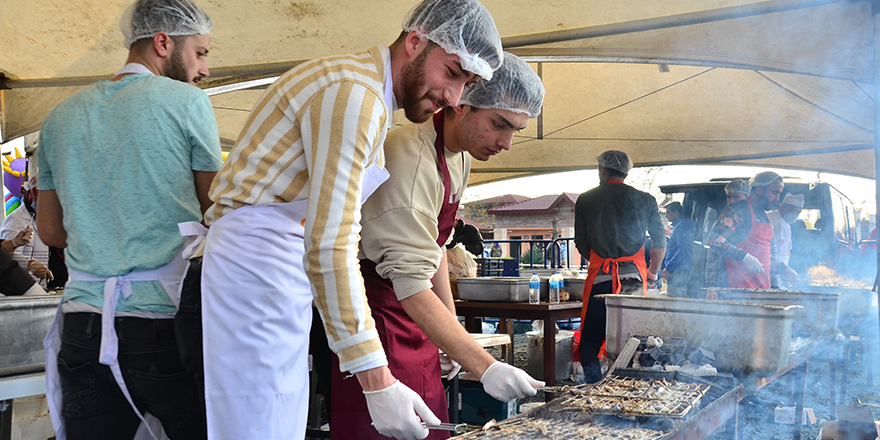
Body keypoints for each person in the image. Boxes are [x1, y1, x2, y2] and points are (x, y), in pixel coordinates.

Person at [196, 1, 503, 439]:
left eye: (466, 84)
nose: (452, 99)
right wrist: (375, 378)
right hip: (256, 262)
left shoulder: (370, 95)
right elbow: (330, 243)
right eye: (452, 73)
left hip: (278, 263)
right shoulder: (354, 95)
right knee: (257, 425)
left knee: (279, 417)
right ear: (414, 41)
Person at [332, 52, 545, 439]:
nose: (507, 143)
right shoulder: (408, 160)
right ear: (461, 102)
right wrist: (485, 366)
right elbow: (411, 282)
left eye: (516, 130)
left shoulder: (458, 156)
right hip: (381, 322)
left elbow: (438, 251)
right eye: (499, 124)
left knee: (431, 427)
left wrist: (449, 333)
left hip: (420, 319)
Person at [36, 0, 220, 439]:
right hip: (163, 323)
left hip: (82, 323)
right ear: (163, 43)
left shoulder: (60, 115)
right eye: (201, 52)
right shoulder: (187, 102)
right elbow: (219, 210)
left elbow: (50, 231)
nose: (205, 69)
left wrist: (104, 232)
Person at [573, 150, 667, 383]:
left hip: (600, 280)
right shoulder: (646, 199)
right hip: (633, 281)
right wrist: (653, 272)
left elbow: (581, 243)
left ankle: (594, 386)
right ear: (625, 172)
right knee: (633, 340)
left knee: (590, 341)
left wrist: (599, 261)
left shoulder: (586, 199)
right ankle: (627, 386)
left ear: (602, 170)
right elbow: (660, 240)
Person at [705, 172, 797, 293]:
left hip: (761, 291)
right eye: (774, 193)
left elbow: (767, 257)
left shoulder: (765, 217)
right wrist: (744, 257)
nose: (777, 199)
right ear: (759, 190)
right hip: (735, 291)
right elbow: (714, 238)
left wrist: (785, 270)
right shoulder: (737, 210)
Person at [1, 166, 55, 285]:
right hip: (23, 288)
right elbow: (5, 254)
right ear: (31, 196)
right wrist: (30, 264)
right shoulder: (16, 220)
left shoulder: (49, 219)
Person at [661, 202, 695, 298]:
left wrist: (669, 267)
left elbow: (683, 250)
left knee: (675, 300)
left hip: (679, 271)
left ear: (676, 212)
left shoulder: (682, 226)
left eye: (668, 212)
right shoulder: (679, 226)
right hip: (677, 270)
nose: (666, 215)